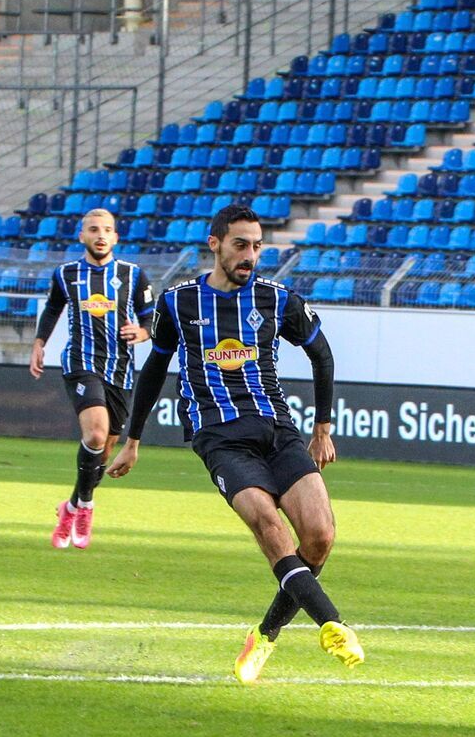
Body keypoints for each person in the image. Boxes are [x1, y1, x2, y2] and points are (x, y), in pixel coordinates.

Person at [108, 203, 360, 684]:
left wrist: (322, 427)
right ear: (215, 244)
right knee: (268, 523)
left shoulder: (275, 298)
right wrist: (132, 439)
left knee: (321, 537)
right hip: (219, 437)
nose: (250, 255)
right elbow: (155, 370)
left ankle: (264, 635)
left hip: (276, 430)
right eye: (240, 245)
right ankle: (333, 623)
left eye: (257, 246)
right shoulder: (178, 303)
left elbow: (321, 353)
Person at [28, 208, 154, 549]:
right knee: (96, 434)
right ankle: (86, 506)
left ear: (115, 237)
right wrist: (39, 343)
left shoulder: (133, 275)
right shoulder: (66, 274)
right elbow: (53, 309)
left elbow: (150, 319)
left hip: (121, 369)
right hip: (81, 362)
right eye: (93, 229)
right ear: (81, 236)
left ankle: (70, 505)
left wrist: (142, 332)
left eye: (107, 229)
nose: (100, 235)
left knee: (103, 450)